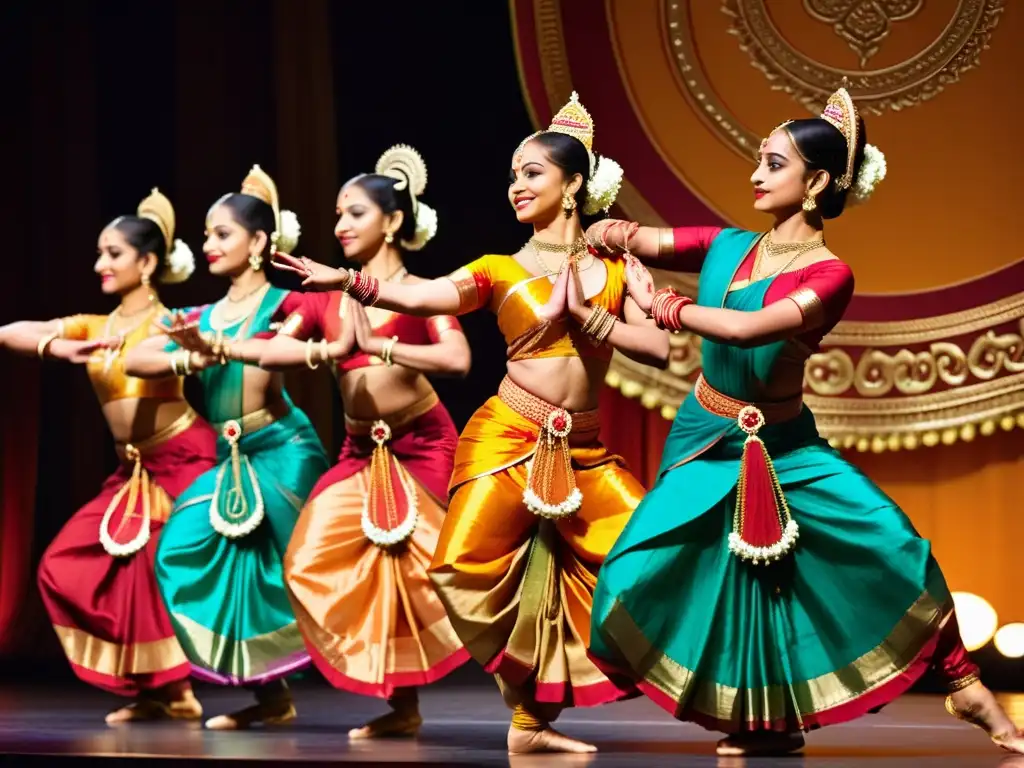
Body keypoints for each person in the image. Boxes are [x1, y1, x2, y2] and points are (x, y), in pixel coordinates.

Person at [585, 85, 1024, 757]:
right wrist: (602, 230)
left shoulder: (829, 274)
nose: (756, 175)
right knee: (638, 569)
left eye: (773, 163)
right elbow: (645, 237)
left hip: (782, 446)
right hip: (708, 434)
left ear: (816, 182)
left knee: (893, 547)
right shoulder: (728, 243)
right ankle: (761, 721)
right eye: (759, 161)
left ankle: (968, 689)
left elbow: (746, 328)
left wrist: (667, 308)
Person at [273, 93, 670, 755]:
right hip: (508, 433)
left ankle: (540, 718)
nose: (517, 184)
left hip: (585, 448)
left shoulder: (615, 270)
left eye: (533, 172)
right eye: (513, 173)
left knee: (643, 562)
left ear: (573, 184)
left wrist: (588, 316)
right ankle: (526, 715)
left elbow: (658, 349)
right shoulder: (497, 269)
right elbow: (420, 294)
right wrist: (346, 280)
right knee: (460, 566)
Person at [259, 145, 472, 739]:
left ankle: (421, 701)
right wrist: (321, 350)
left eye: (354, 213)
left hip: (423, 445)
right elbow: (270, 346)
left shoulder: (421, 292)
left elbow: (457, 358)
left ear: (395, 220)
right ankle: (396, 702)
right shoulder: (327, 300)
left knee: (427, 573)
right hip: (360, 452)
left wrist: (380, 346)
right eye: (337, 215)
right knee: (305, 560)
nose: (341, 226)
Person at [124, 166, 329, 730]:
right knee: (182, 546)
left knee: (274, 573)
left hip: (281, 447)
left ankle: (365, 686)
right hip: (230, 456)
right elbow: (136, 359)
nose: (209, 245)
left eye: (221, 234)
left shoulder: (286, 304)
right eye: (207, 235)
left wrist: (219, 347)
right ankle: (269, 697)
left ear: (259, 242)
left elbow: (268, 354)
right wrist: (191, 356)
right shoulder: (199, 317)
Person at [0, 189, 214, 724]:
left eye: (113, 253)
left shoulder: (173, 321)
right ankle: (149, 688)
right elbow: (9, 333)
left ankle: (177, 689)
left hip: (185, 459)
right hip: (132, 471)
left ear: (146, 263)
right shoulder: (97, 328)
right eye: (99, 252)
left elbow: (210, 354)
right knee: (61, 565)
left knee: (146, 568)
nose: (101, 264)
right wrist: (56, 346)